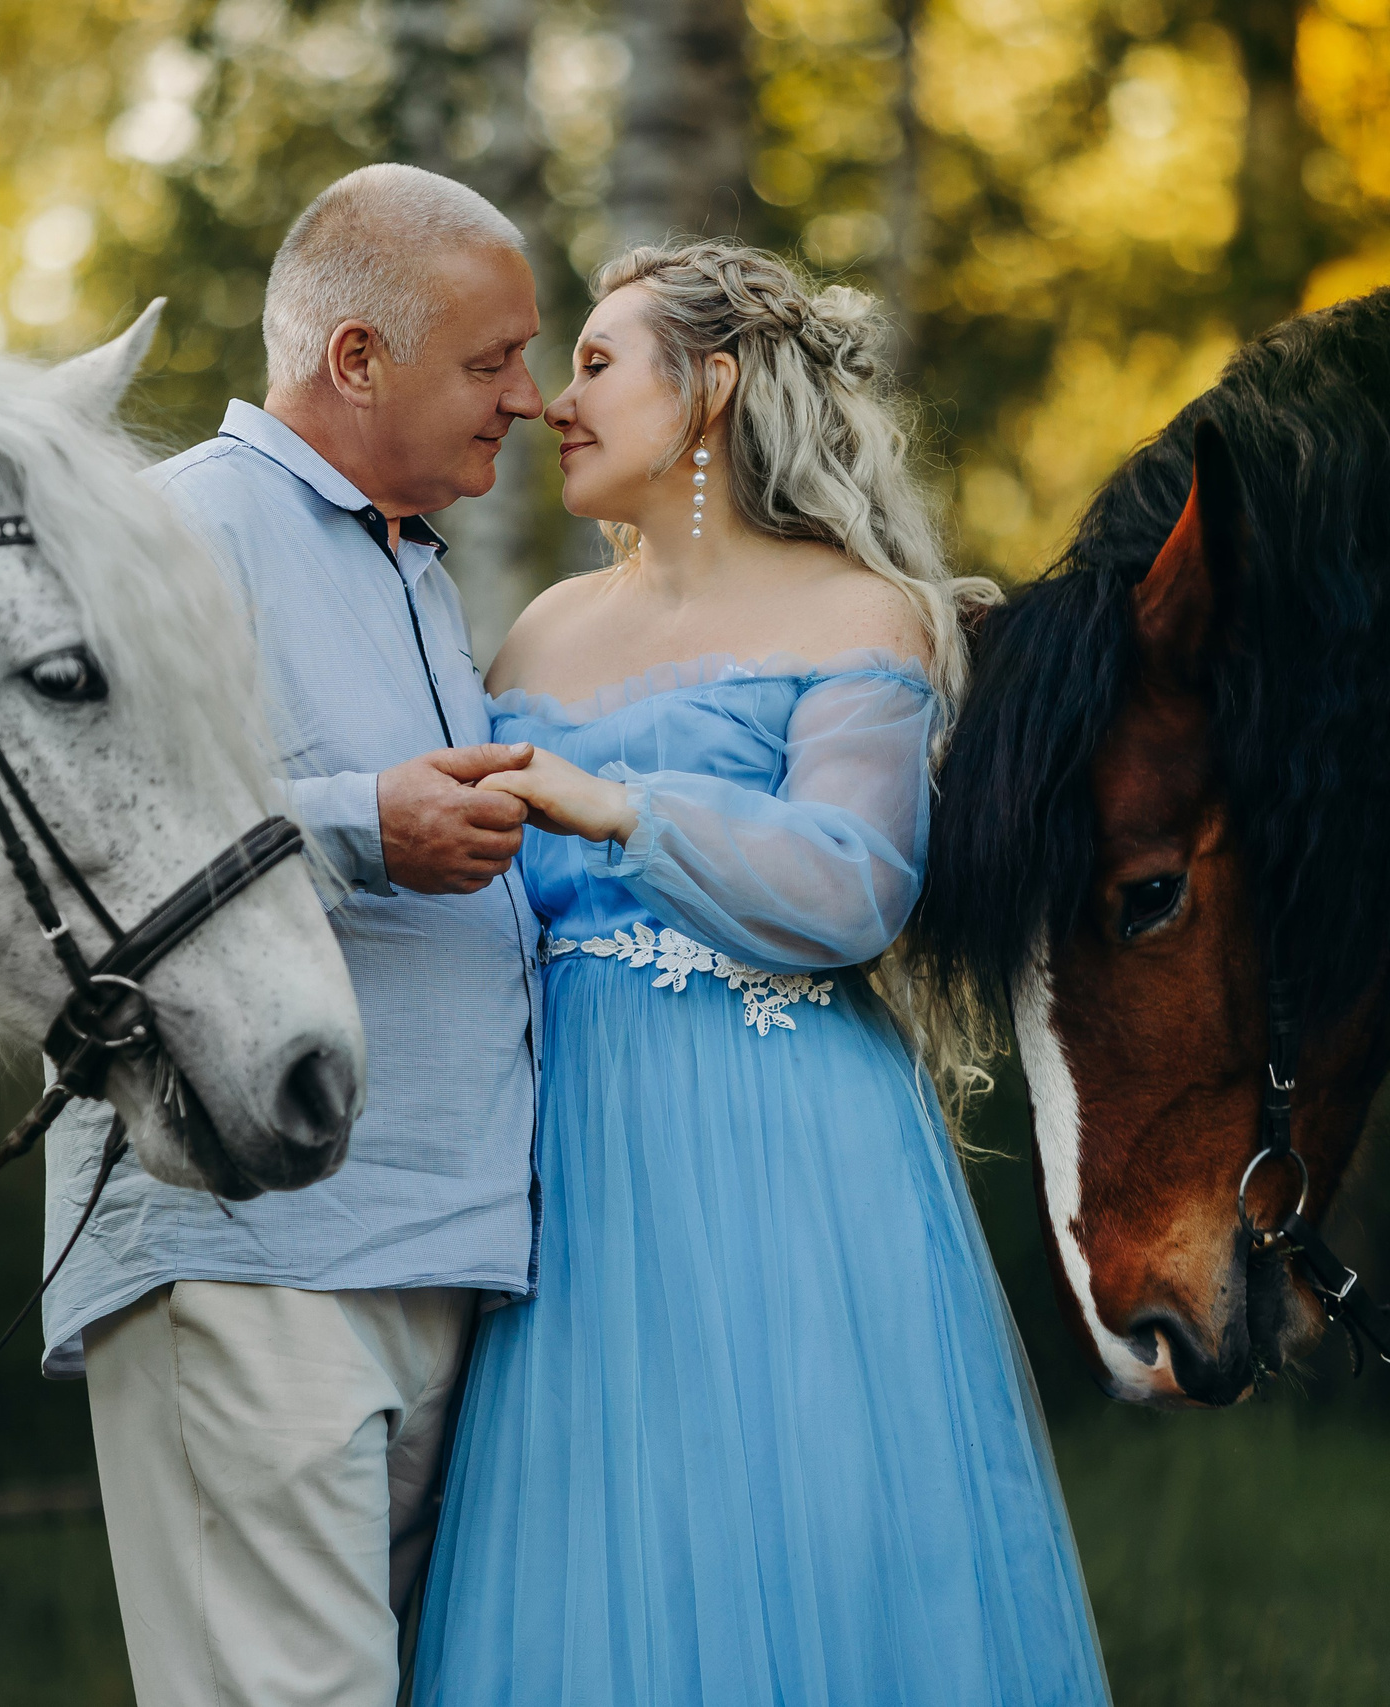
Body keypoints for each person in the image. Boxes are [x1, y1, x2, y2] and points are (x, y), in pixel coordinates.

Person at [410, 240, 1112, 1704]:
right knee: (601, 1560)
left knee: (808, 1541)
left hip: (794, 1159)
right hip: (578, 1168)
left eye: (598, 364)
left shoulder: (857, 612)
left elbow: (853, 888)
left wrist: (624, 808)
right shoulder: (541, 630)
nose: (553, 404)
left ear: (713, 386)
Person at [37, 163, 546, 1707]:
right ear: (355, 361)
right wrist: (360, 827)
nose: (526, 399)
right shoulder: (184, 526)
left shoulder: (414, 568)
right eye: (491, 360)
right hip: (249, 1253)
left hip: (440, 1252)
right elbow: (71, 842)